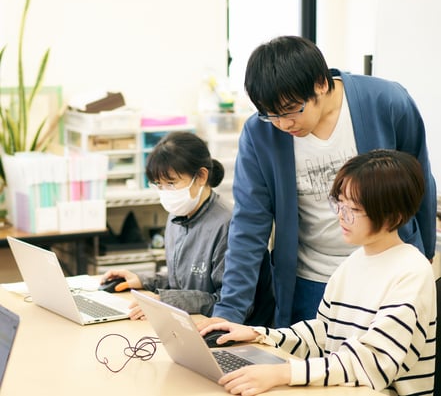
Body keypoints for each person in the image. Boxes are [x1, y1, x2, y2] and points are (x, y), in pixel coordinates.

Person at [199, 35, 437, 330]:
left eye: (291, 109)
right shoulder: (260, 133)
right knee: (308, 355)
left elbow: (419, 180)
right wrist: (230, 310)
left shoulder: (385, 101)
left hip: (388, 272)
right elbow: (249, 223)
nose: (283, 124)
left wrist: (424, 254)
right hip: (311, 280)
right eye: (271, 115)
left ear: (321, 85)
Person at [200, 149, 437, 396]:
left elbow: (374, 362)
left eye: (354, 209)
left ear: (393, 217)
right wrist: (259, 334)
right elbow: (323, 334)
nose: (340, 216)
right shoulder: (353, 263)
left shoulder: (411, 271)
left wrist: (284, 373)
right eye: (339, 203)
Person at [100, 131, 274, 323]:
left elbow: (226, 303)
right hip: (189, 321)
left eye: (171, 183)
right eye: (159, 185)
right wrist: (143, 281)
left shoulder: (228, 225)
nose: (165, 192)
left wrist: (166, 301)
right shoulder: (177, 216)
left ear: (201, 176)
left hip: (228, 328)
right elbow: (184, 280)